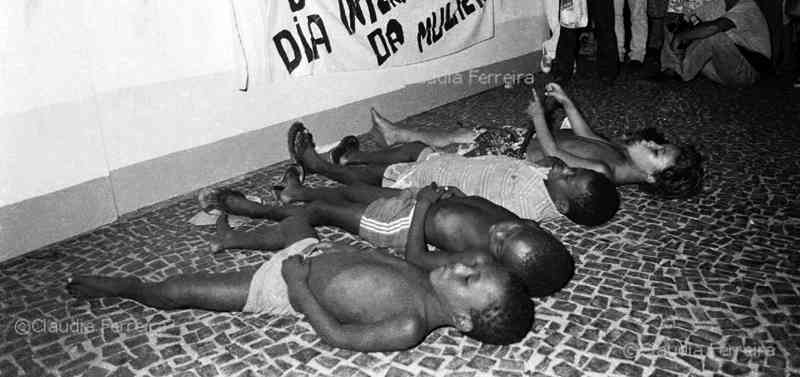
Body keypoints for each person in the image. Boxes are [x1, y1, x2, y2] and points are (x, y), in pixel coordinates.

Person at [67, 190, 534, 351]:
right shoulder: (425, 271)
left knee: (179, 291)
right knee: (298, 218)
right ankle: (235, 229)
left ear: (464, 320)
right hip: (309, 254)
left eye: (469, 279)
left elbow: (338, 337)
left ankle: (130, 288)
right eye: (476, 262)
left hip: (282, 286)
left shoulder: (411, 324)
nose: (462, 264)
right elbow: (402, 254)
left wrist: (295, 284)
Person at [200, 171, 574, 297]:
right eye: (517, 227)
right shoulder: (523, 230)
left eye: (502, 240)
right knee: (350, 193)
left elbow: (417, 258)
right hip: (421, 202)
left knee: (324, 213)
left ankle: (249, 211)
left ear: (500, 264)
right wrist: (461, 197)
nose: (504, 228)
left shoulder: (478, 261)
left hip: (403, 224)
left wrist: (425, 208)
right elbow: (488, 212)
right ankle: (297, 192)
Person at [364, 92, 703, 199]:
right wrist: (568, 104)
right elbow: (586, 136)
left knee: (455, 145)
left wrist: (540, 118)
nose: (648, 142)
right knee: (460, 134)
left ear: (652, 178)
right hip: (525, 141)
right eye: (658, 143)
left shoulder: (604, 172)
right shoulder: (618, 151)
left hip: (519, 155)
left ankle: (394, 147)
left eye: (656, 152)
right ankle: (400, 134)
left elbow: (556, 155)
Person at [289, 121, 620, 228]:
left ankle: (321, 167)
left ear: (561, 204)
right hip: (452, 164)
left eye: (569, 176)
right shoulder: (550, 185)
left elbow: (481, 211)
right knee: (412, 148)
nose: (563, 167)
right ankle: (350, 158)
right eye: (572, 168)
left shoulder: (526, 206)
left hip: (436, 180)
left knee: (382, 176)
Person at [658, 0, 771, 87]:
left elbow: (714, 28)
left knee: (712, 34)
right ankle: (670, 70)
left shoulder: (748, 7)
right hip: (721, 71)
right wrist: (679, 29)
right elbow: (688, 20)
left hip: (747, 72)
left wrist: (682, 36)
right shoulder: (717, 4)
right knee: (674, 24)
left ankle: (678, 72)